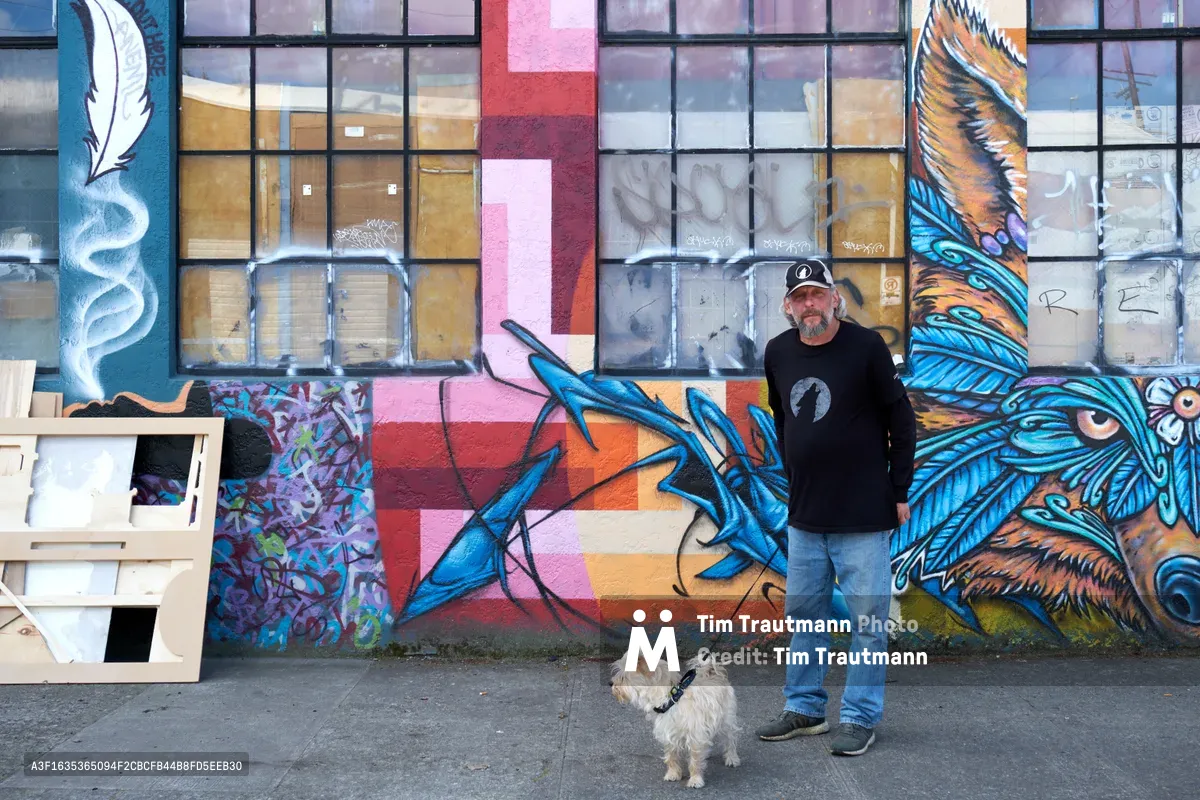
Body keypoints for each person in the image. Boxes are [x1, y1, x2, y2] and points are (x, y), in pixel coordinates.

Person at [754, 257, 916, 757]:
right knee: (805, 618)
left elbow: (901, 421)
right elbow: (784, 419)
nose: (809, 305)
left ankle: (859, 717)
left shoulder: (865, 347)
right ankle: (804, 709)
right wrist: (796, 473)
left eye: (817, 295)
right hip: (806, 515)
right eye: (800, 297)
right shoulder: (778, 352)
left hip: (864, 515)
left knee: (867, 624)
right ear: (788, 305)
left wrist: (900, 491)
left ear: (833, 298)